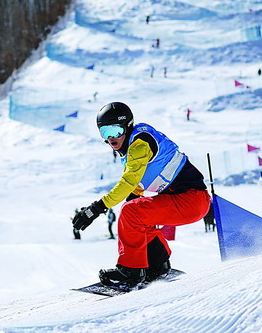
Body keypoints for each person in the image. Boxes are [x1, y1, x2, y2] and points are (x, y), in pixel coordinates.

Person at [72, 102, 210, 289]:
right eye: (105, 132)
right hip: (186, 199)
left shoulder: (139, 145)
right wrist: (129, 202)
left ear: (127, 126)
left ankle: (130, 272)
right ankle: (157, 265)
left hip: (191, 200)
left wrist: (96, 208)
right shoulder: (131, 147)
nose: (111, 138)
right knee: (134, 214)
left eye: (116, 131)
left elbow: (128, 182)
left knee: (132, 212)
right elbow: (136, 187)